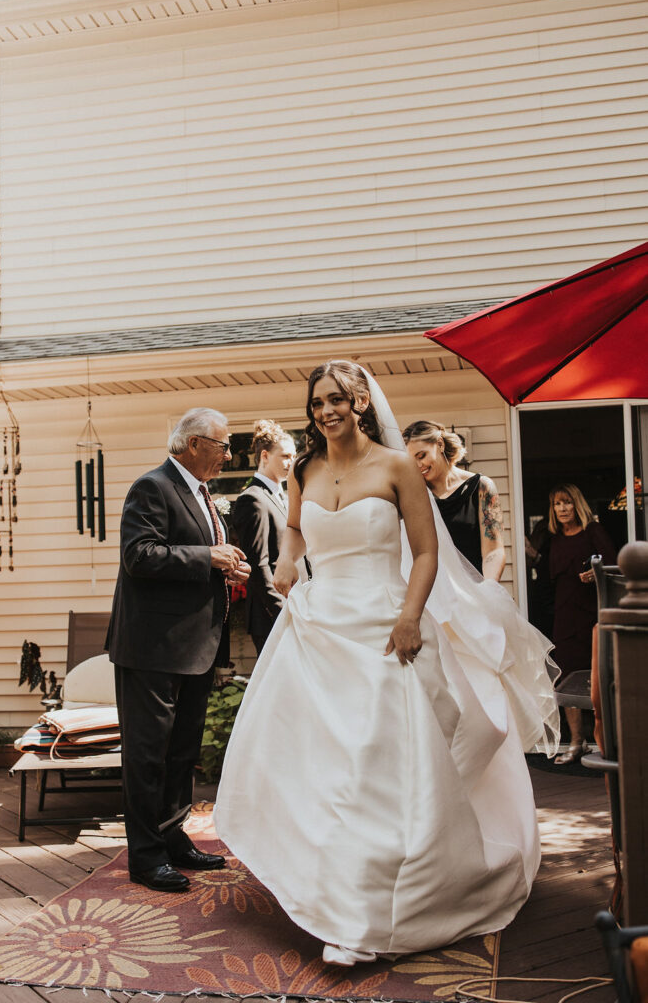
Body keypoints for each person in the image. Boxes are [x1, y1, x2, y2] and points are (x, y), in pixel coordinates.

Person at [215, 360, 559, 965]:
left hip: (384, 629)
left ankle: (369, 916)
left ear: (362, 404)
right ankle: (342, 898)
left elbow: (426, 552)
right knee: (324, 766)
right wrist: (288, 565)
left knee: (371, 766)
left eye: (338, 400)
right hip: (319, 630)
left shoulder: (397, 466)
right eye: (318, 401)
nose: (327, 411)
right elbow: (293, 532)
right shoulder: (304, 469)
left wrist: (408, 617)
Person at [106, 407, 250, 892]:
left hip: (195, 648)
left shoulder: (205, 496)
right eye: (223, 444)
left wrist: (229, 567)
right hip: (151, 648)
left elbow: (198, 562)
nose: (230, 454)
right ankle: (146, 857)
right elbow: (138, 554)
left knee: (180, 753)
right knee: (147, 756)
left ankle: (172, 839)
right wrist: (207, 555)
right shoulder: (153, 487)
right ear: (193, 444)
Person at [548, 483, 617, 765]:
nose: (563, 509)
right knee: (566, 676)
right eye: (557, 504)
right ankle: (577, 742)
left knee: (596, 677)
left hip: (590, 612)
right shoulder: (552, 538)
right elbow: (544, 573)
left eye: (567, 503)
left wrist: (595, 573)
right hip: (564, 615)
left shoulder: (593, 532)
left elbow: (613, 565)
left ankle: (605, 741)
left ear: (577, 505)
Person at [402, 420, 506, 580]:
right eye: (411, 461)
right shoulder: (414, 495)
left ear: (440, 444)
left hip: (475, 591)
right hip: (432, 596)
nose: (418, 465)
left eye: (421, 456)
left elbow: (493, 551)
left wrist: (489, 589)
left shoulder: (482, 487)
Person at [232, 420, 296, 655]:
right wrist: (282, 610)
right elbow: (258, 564)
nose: (291, 462)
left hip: (294, 603)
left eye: (294, 456)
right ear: (266, 456)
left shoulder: (285, 498)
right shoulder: (253, 499)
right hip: (270, 613)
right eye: (286, 456)